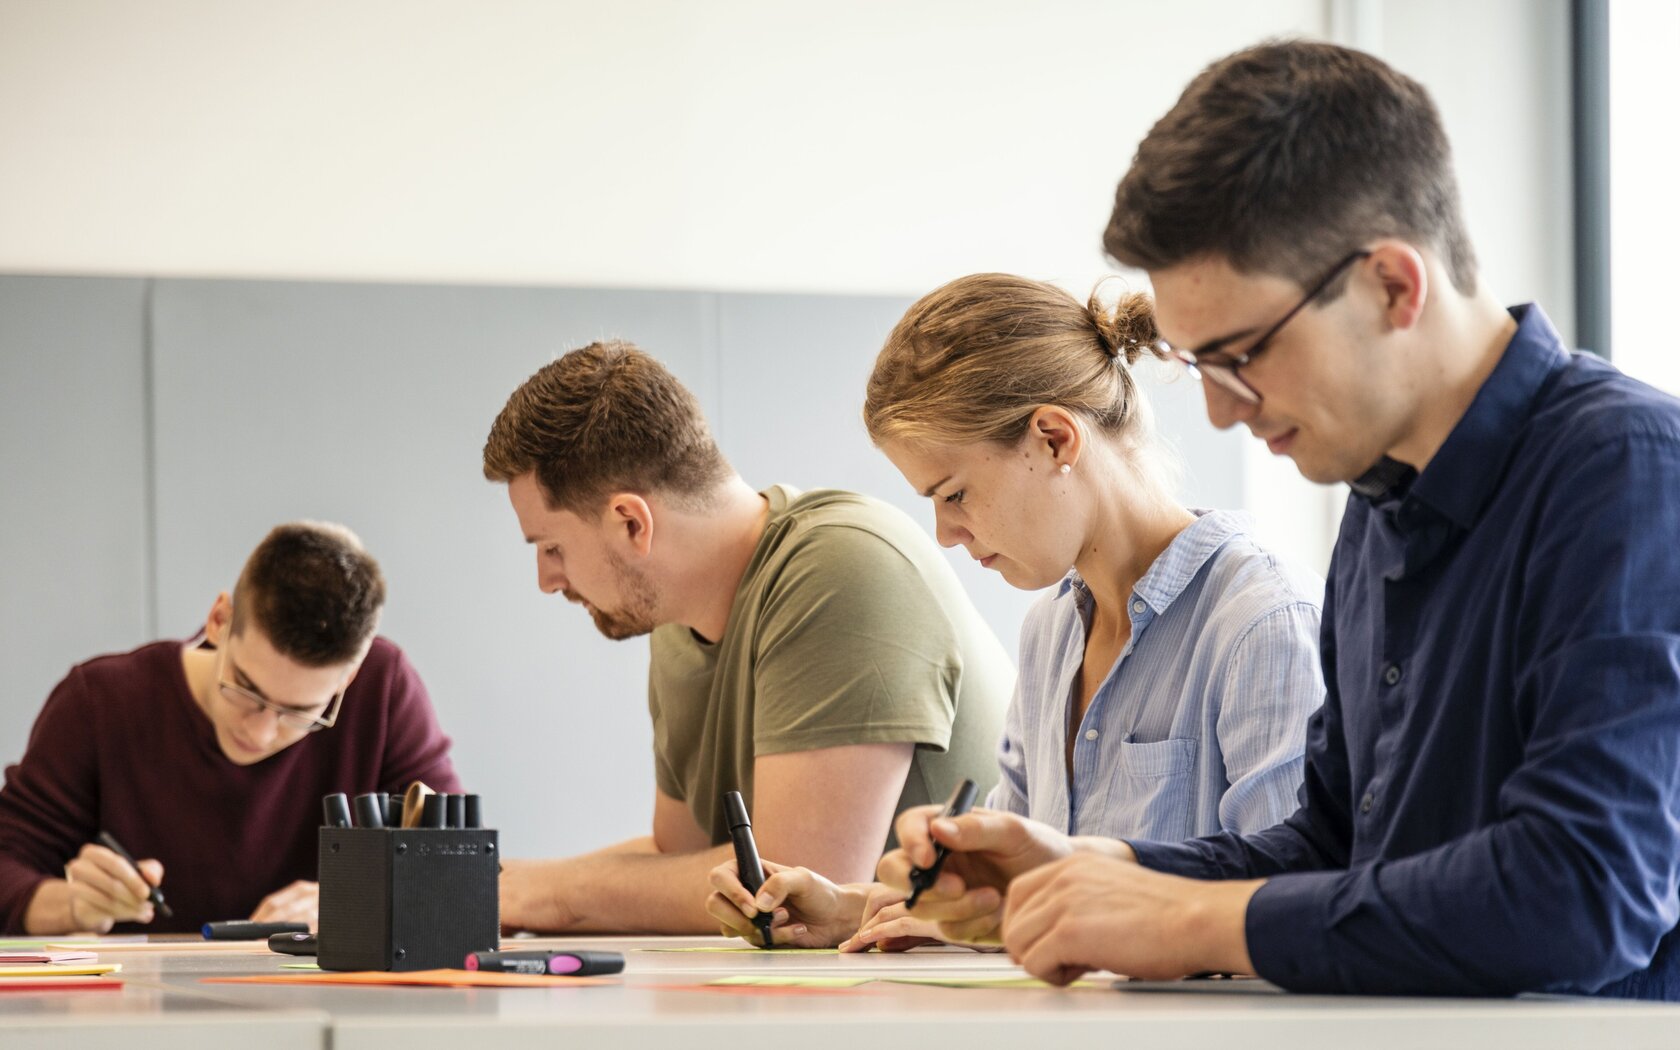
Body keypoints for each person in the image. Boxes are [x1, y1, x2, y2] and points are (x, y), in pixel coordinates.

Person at [877, 40, 1680, 999]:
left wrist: (1187, 918)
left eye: (1242, 354)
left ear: (1393, 284)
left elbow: (1585, 890)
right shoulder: (1380, 505)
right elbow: (1332, 845)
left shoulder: (1626, 471)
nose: (1220, 410)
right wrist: (1097, 874)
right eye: (1198, 365)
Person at [705, 273, 1323, 950]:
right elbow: (1012, 890)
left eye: (956, 493)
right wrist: (854, 907)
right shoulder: (1051, 633)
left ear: (1055, 440)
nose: (946, 532)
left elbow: (1293, 901)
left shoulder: (1258, 622)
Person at [481, 339, 1011, 934]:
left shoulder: (842, 566)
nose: (547, 580)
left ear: (631, 522)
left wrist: (542, 896)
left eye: (551, 547)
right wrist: (493, 885)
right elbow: (676, 863)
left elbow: (793, 884)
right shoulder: (677, 627)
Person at [0, 522, 460, 935]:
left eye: (300, 712)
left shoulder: (384, 690)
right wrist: (72, 906)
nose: (260, 733)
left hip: (333, 1010)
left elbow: (459, 873)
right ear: (219, 619)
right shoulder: (101, 701)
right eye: (245, 688)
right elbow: (7, 863)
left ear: (350, 674)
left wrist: (363, 903)